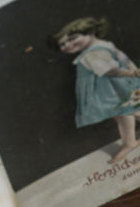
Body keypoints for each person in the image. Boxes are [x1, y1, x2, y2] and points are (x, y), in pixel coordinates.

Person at [53, 16, 140, 164]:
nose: (67, 45)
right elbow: (122, 58)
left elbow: (109, 70)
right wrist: (133, 70)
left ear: (91, 32)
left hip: (113, 89)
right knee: (125, 112)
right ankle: (130, 142)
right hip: (116, 86)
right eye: (63, 44)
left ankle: (129, 142)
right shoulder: (105, 45)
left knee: (127, 111)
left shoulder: (90, 55)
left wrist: (132, 72)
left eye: (73, 38)